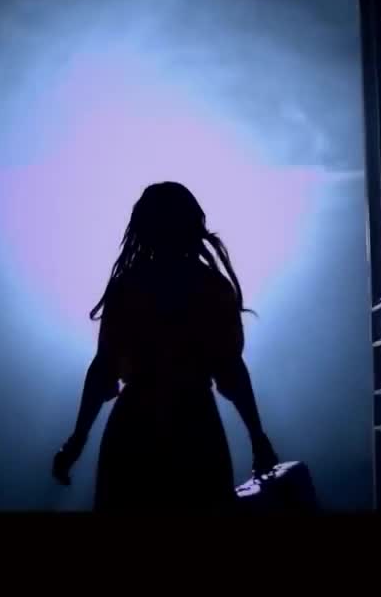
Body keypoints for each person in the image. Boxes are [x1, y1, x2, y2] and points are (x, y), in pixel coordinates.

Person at [51, 181, 279, 511]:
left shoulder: (127, 286)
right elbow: (230, 371)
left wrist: (76, 441)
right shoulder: (212, 287)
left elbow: (103, 368)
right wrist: (257, 436)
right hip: (197, 429)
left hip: (133, 430)